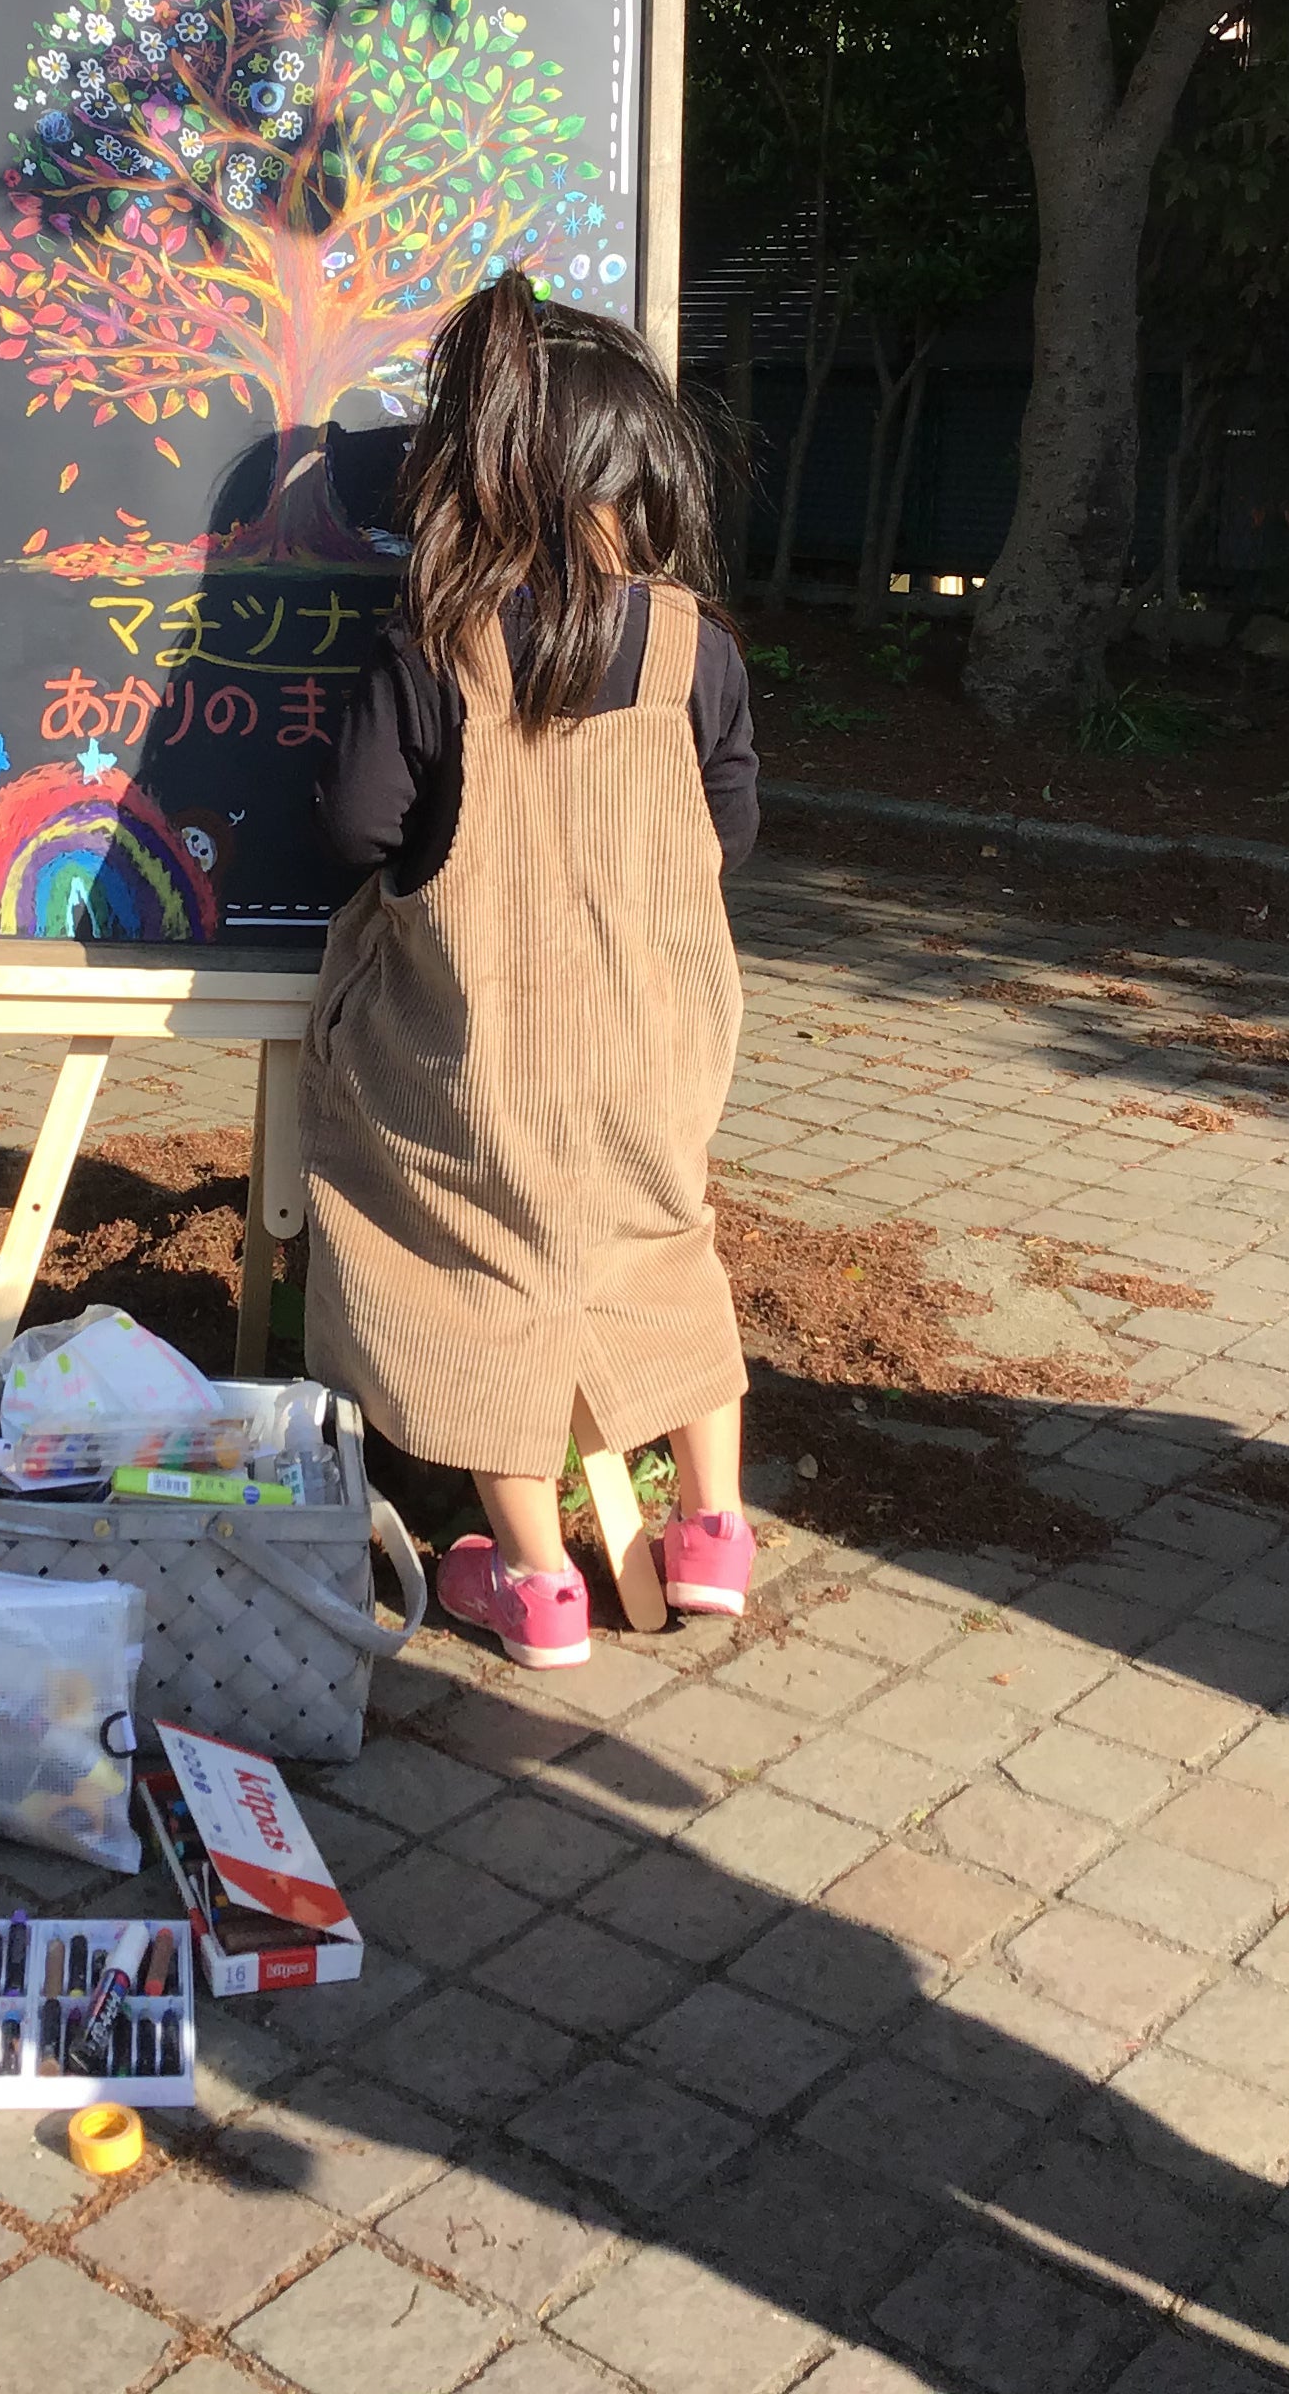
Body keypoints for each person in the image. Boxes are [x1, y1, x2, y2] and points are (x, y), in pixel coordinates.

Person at [301, 271, 759, 1669]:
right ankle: (714, 1531)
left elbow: (358, 829)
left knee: (470, 1271)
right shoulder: (694, 643)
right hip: (658, 1032)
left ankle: (540, 1581)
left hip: (474, 1043)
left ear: (480, 472)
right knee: (663, 1242)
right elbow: (729, 829)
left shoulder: (436, 646)